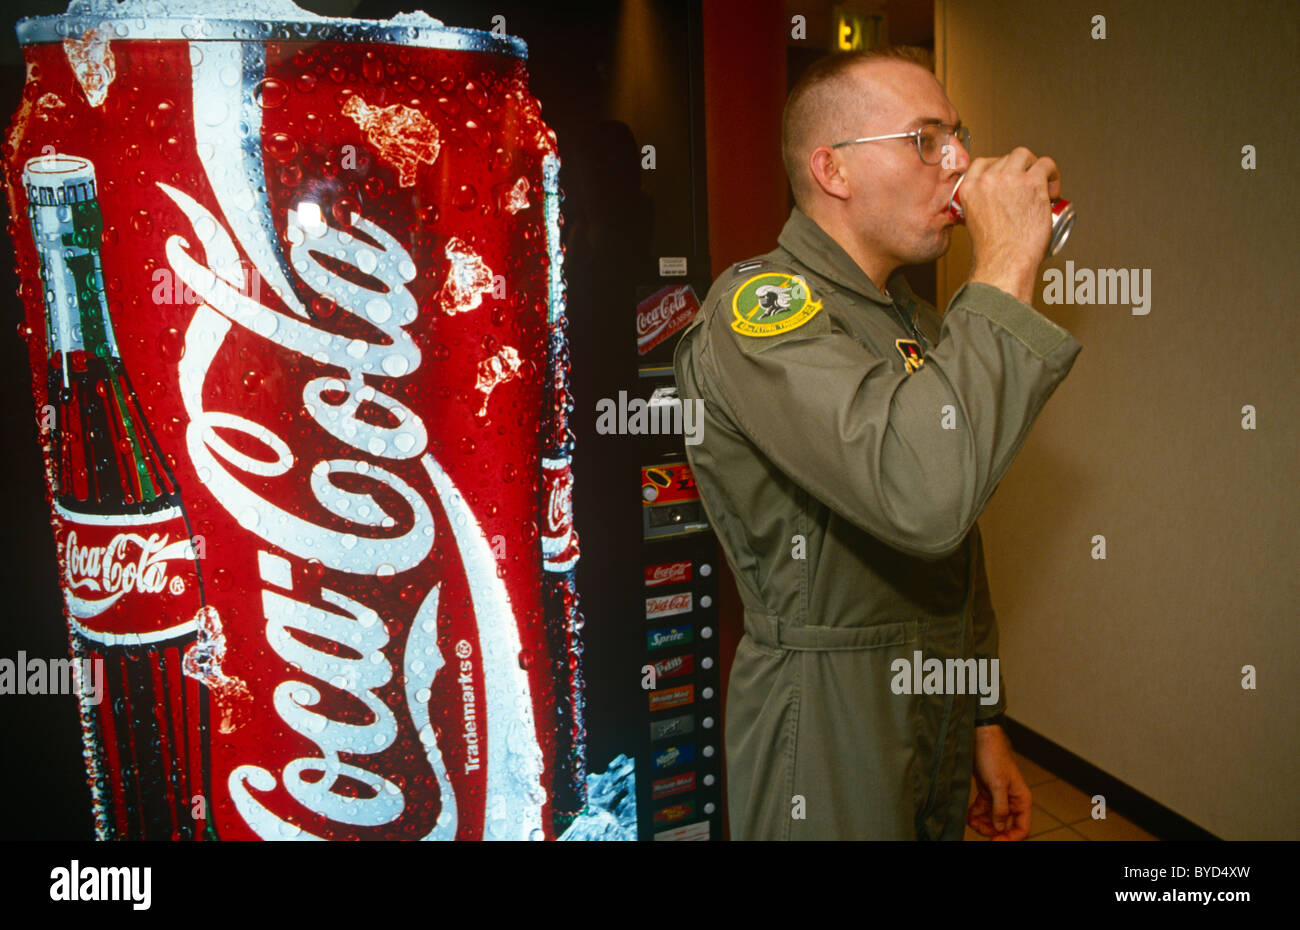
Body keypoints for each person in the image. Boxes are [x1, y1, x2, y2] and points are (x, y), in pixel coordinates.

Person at [672, 46, 1082, 840]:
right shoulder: (763, 311)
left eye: (958, 135)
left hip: (933, 696)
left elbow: (957, 546)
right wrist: (1002, 266)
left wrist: (982, 718)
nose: (960, 161)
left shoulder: (917, 322)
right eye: (927, 139)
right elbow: (921, 493)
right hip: (828, 709)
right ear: (833, 171)